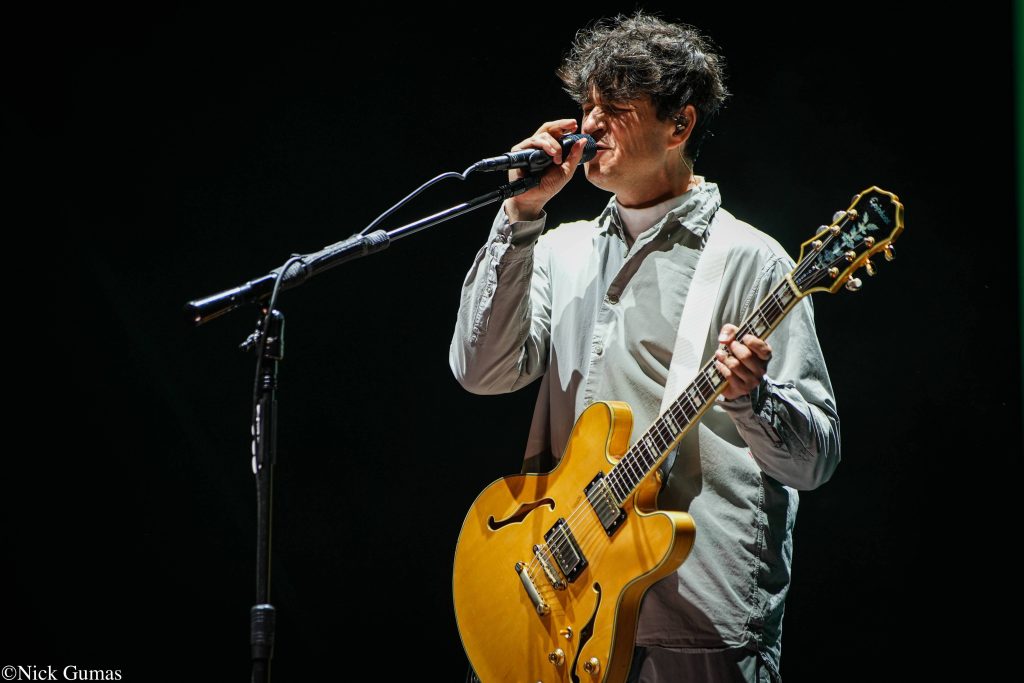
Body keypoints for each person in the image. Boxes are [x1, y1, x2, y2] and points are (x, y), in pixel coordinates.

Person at [449, 11, 840, 683]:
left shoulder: (751, 261)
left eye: (617, 110)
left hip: (695, 625)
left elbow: (814, 460)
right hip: (562, 608)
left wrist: (752, 399)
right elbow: (480, 371)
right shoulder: (559, 249)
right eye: (588, 107)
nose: (590, 126)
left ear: (679, 125)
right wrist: (519, 214)